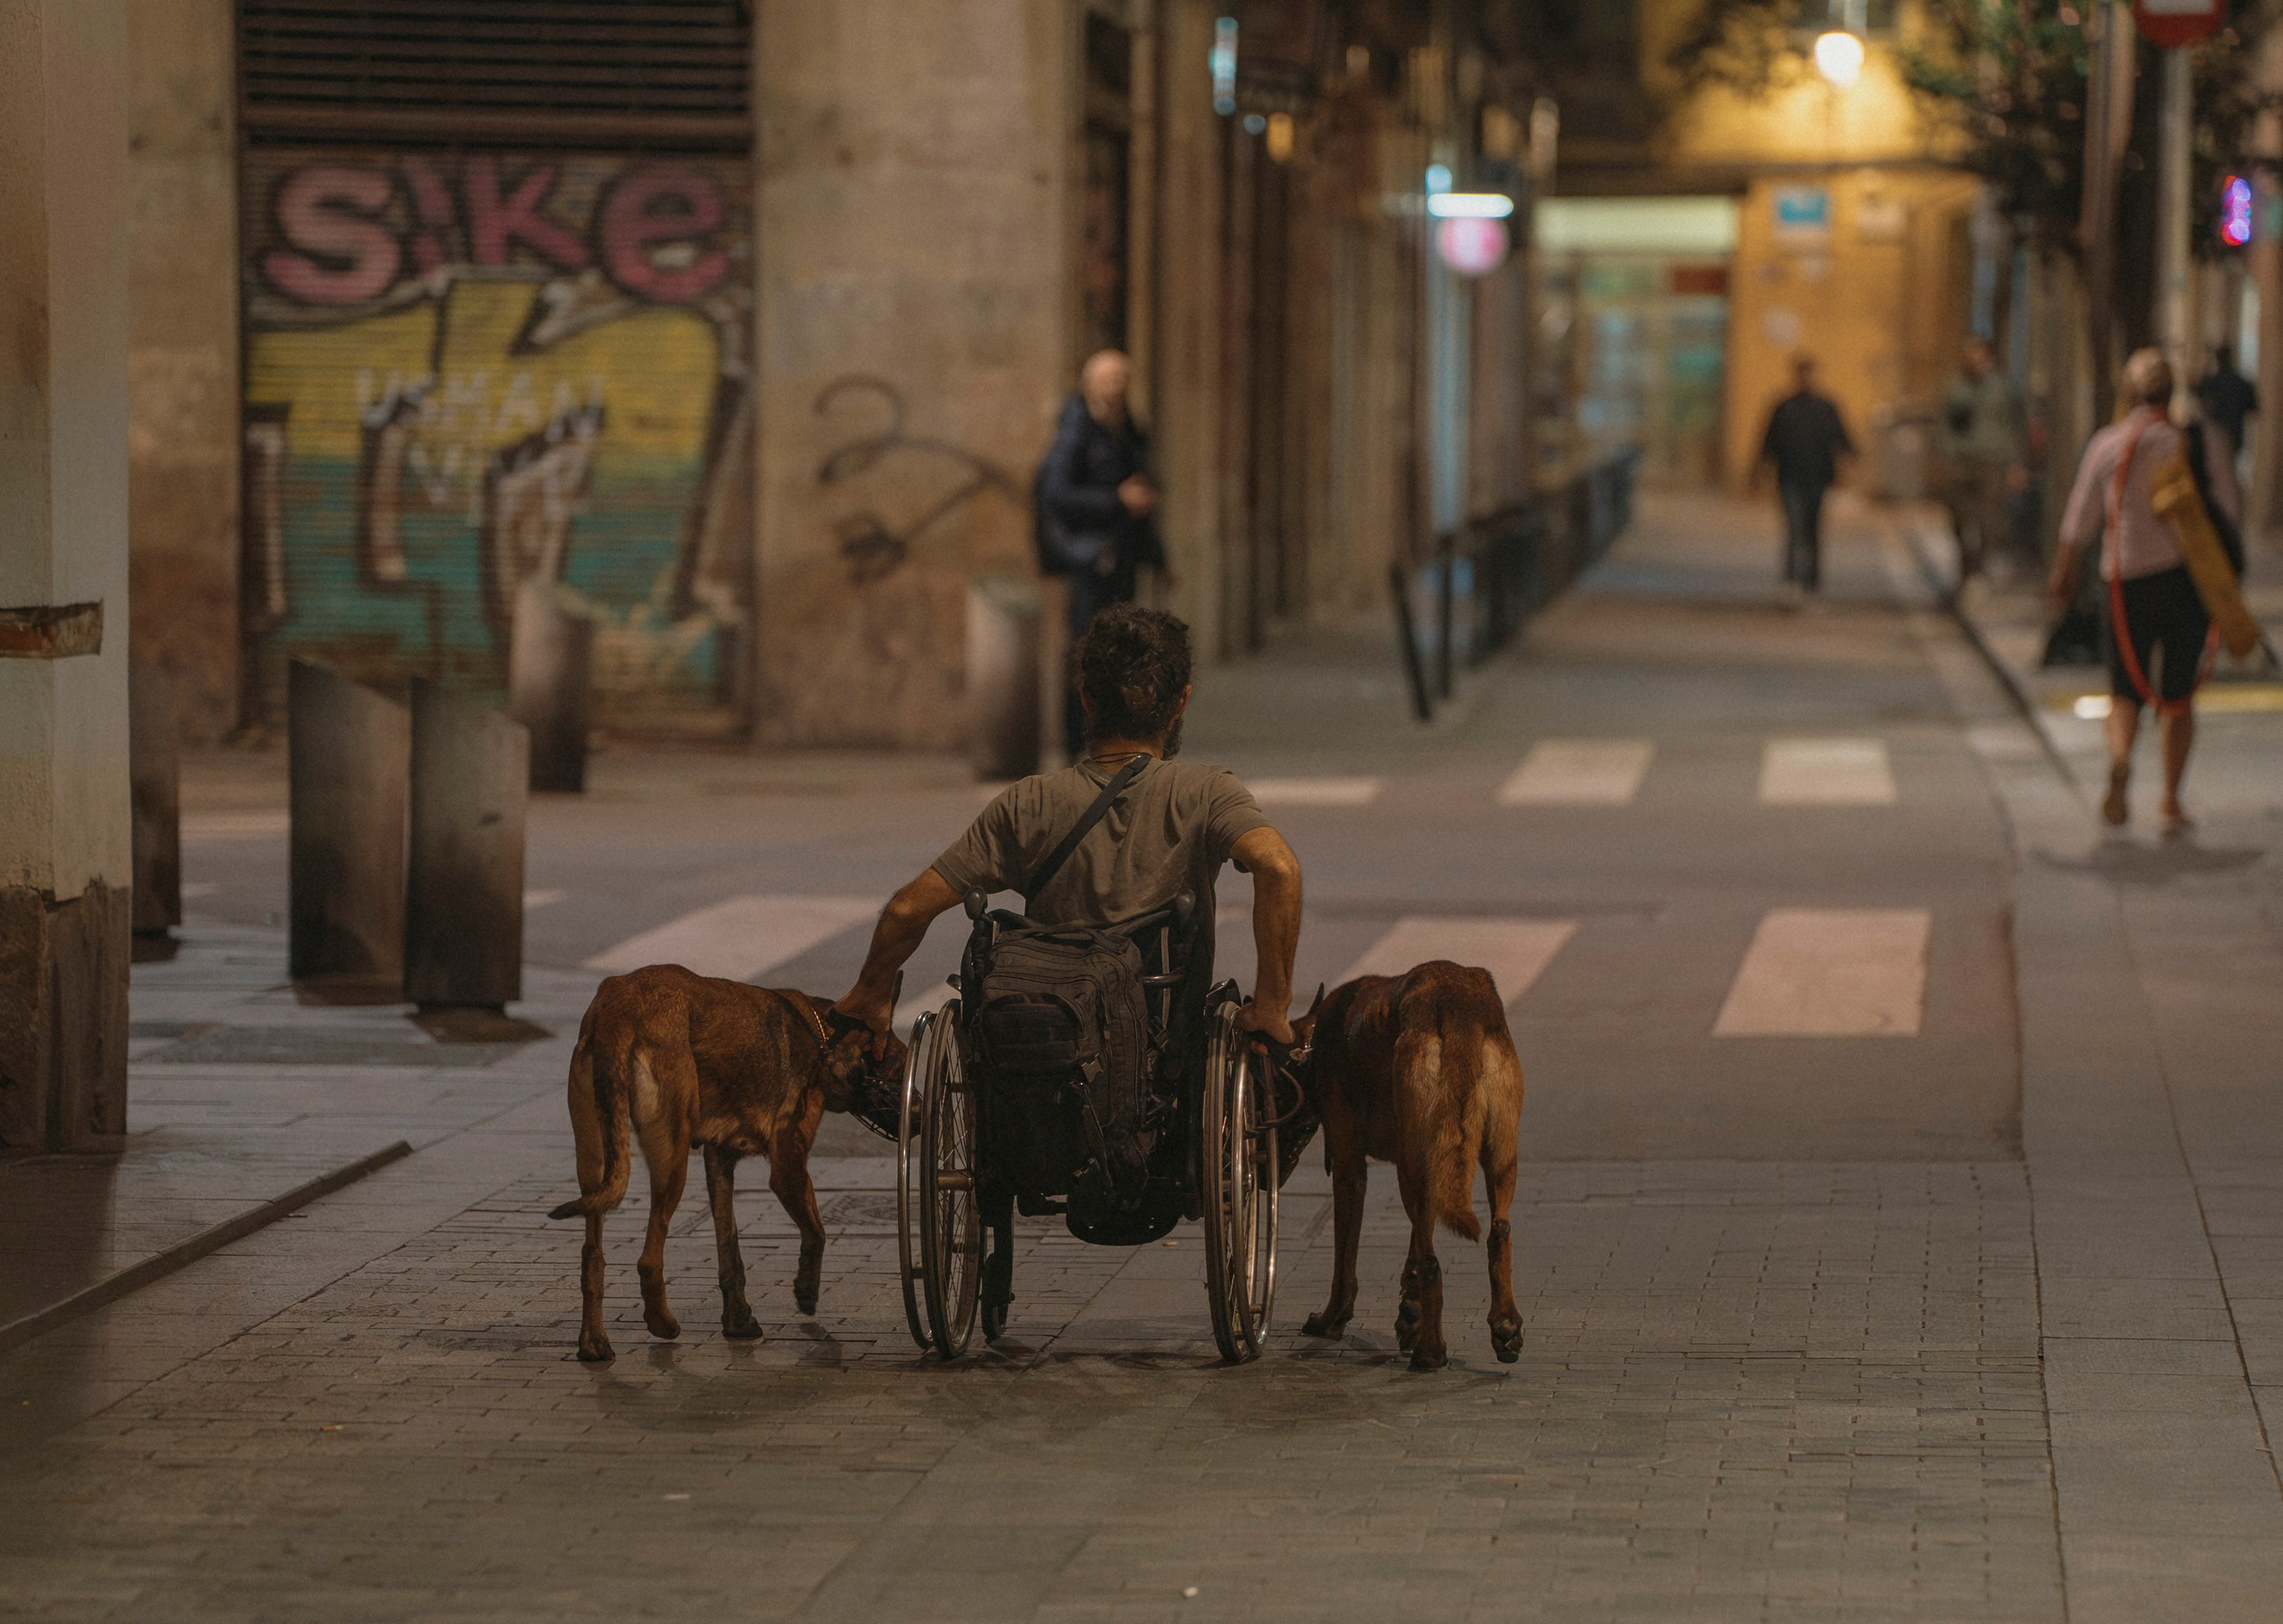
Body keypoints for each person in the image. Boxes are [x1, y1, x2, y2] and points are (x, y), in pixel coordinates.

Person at [832, 605, 1302, 1049]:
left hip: (1045, 1044)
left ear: (1085, 700)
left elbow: (907, 909)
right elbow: (1279, 870)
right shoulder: (1206, 793)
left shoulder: (1027, 803)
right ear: (1180, 704)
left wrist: (871, 992)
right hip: (1165, 1039)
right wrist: (1271, 1008)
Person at [2050, 347, 2240, 836]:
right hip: (2187, 581)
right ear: (2171, 390)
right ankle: (2172, 800)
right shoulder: (2197, 442)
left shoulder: (2108, 444)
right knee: (2179, 693)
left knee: (2124, 689)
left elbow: (2081, 517)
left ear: (2128, 393)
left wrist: (2064, 571)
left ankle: (2120, 760)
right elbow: (2228, 511)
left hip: (2125, 579)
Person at [1036, 350, 1171, 760]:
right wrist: (1116, 500)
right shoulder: (1077, 430)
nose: (1118, 388)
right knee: (1087, 651)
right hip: (1090, 561)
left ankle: (1112, 740)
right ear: (1091, 385)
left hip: (1121, 558)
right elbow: (1056, 494)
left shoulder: (1126, 429)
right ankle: (1077, 742)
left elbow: (1139, 494)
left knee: (1121, 654)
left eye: (1123, 379)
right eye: (1110, 380)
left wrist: (1160, 557)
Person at [1757, 353, 1855, 597]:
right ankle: (1791, 579)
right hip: (1789, 477)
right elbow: (1768, 441)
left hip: (1818, 478)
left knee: (1813, 529)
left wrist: (1849, 462)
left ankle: (1812, 581)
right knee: (1793, 528)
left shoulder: (1825, 407)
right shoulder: (1784, 408)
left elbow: (1842, 438)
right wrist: (1758, 471)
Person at [1937, 336, 2029, 589]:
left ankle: (1979, 567)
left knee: (1989, 518)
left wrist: (2016, 465)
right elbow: (1945, 426)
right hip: (1962, 462)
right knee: (1959, 518)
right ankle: (1967, 564)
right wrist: (1947, 455)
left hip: (1993, 461)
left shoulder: (2001, 388)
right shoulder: (1955, 388)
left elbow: (2014, 426)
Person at [2195, 342, 2259, 459]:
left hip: (2218, 436)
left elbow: (2198, 394)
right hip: (2233, 434)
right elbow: (2253, 407)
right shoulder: (2241, 383)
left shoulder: (2212, 382)